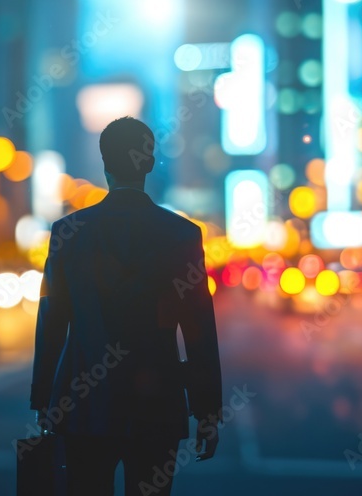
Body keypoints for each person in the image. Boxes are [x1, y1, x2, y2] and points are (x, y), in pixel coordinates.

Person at [30, 117, 223, 495]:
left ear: (104, 163)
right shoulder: (183, 234)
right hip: (158, 404)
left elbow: (52, 320)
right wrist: (207, 411)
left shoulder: (69, 232)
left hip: (84, 403)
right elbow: (199, 327)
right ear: (149, 163)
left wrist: (43, 399)